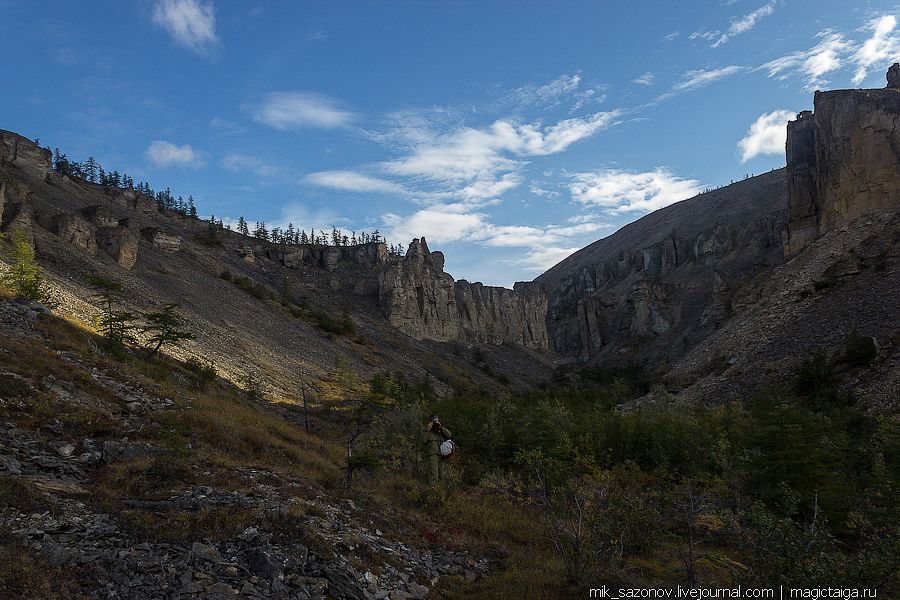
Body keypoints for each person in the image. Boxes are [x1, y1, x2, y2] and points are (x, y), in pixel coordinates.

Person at [420, 414, 452, 486]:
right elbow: (423, 439)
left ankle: (440, 492)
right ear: (430, 422)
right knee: (433, 474)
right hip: (432, 455)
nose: (436, 423)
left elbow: (449, 435)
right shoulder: (426, 431)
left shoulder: (440, 431)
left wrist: (441, 427)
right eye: (434, 422)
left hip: (441, 455)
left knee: (441, 475)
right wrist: (428, 428)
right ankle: (433, 491)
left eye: (437, 421)